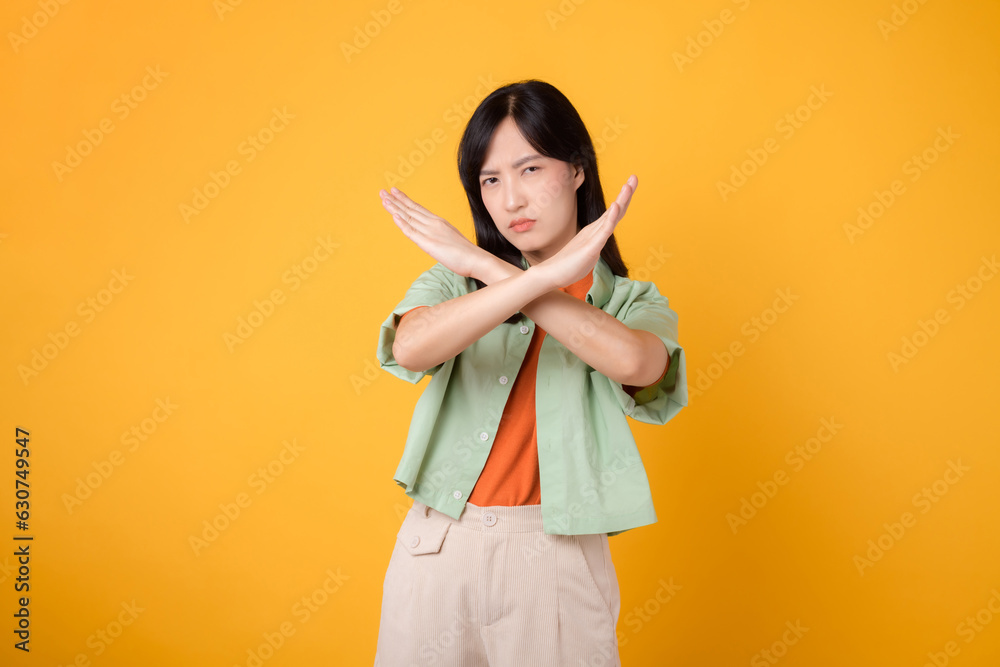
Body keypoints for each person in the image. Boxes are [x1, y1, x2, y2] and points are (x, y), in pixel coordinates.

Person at [373, 79, 687, 666]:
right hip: (441, 547)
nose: (510, 200)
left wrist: (489, 266)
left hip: (557, 556)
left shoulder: (629, 301)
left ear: (576, 171)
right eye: (490, 180)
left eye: (530, 169)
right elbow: (412, 346)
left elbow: (638, 363)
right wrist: (510, 273)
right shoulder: (453, 284)